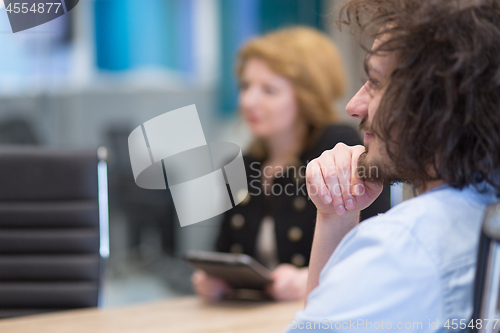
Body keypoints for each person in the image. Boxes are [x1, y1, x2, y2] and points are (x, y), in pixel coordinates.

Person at [285, 0, 500, 331]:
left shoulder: (402, 247)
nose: (354, 106)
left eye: (374, 82)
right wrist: (337, 214)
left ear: (437, 101)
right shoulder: (487, 211)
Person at [192, 27, 391, 302]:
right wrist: (213, 279)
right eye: (246, 86)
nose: (248, 101)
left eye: (269, 90)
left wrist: (307, 277)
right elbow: (223, 251)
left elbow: (374, 255)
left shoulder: (339, 149)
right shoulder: (239, 165)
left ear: (307, 96)